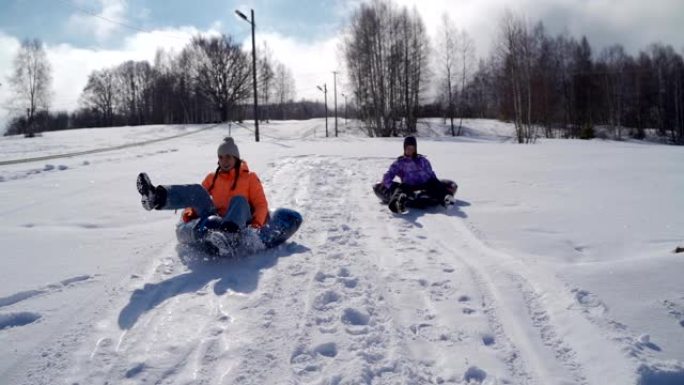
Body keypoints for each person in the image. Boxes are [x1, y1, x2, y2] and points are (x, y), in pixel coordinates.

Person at [136, 137, 271, 246]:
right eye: (221, 157)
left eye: (228, 156)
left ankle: (229, 236)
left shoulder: (249, 177)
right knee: (198, 190)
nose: (224, 161)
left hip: (241, 222)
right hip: (217, 220)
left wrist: (256, 226)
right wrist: (190, 212)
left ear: (236, 158)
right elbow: (196, 199)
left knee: (239, 200)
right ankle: (156, 197)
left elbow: (261, 204)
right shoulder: (213, 178)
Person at [379, 136, 454, 213]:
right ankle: (397, 204)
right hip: (410, 186)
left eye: (412, 148)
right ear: (404, 148)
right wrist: (387, 182)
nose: (410, 150)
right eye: (408, 148)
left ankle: (446, 199)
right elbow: (390, 173)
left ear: (415, 149)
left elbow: (431, 173)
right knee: (400, 188)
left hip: (425, 185)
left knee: (434, 183)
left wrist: (438, 184)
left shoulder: (423, 160)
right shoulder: (400, 162)